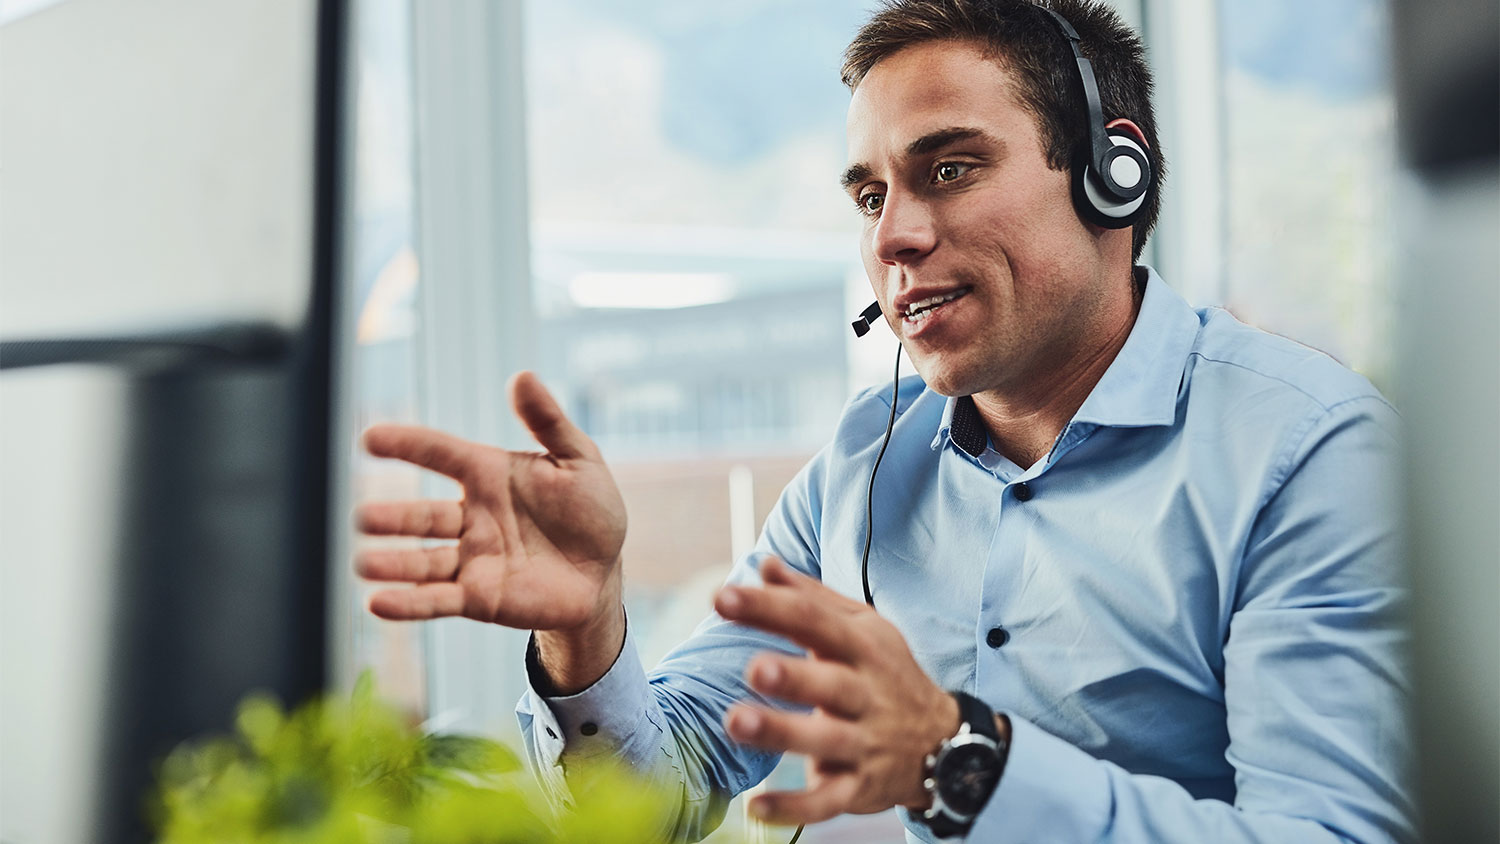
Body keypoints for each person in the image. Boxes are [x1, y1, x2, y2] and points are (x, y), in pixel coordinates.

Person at [354, 1, 1414, 841]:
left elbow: (1328, 833)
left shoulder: (1307, 452)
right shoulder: (864, 461)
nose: (895, 235)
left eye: (950, 169)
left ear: (1111, 172)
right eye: (869, 196)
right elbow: (649, 807)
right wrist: (588, 631)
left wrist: (961, 760)